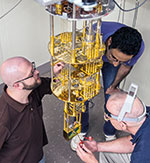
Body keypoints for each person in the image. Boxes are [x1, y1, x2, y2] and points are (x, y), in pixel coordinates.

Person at [70, 21, 145, 150]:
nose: (116, 64)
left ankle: (109, 132)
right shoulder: (91, 36)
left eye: (122, 61)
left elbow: (125, 67)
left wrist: (113, 86)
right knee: (83, 95)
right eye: (115, 58)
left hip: (106, 55)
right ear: (109, 42)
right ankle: (81, 129)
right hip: (90, 55)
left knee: (111, 98)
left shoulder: (137, 48)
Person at [0, 56, 64, 163]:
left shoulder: (32, 89)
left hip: (38, 156)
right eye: (31, 73)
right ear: (17, 85)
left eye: (33, 67)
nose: (37, 71)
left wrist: (57, 74)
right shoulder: (3, 119)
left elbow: (52, 85)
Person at [76, 91, 150, 163]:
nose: (107, 118)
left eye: (108, 117)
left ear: (122, 125)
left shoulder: (141, 156)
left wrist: (92, 161)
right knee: (107, 153)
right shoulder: (144, 118)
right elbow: (132, 143)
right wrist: (98, 147)